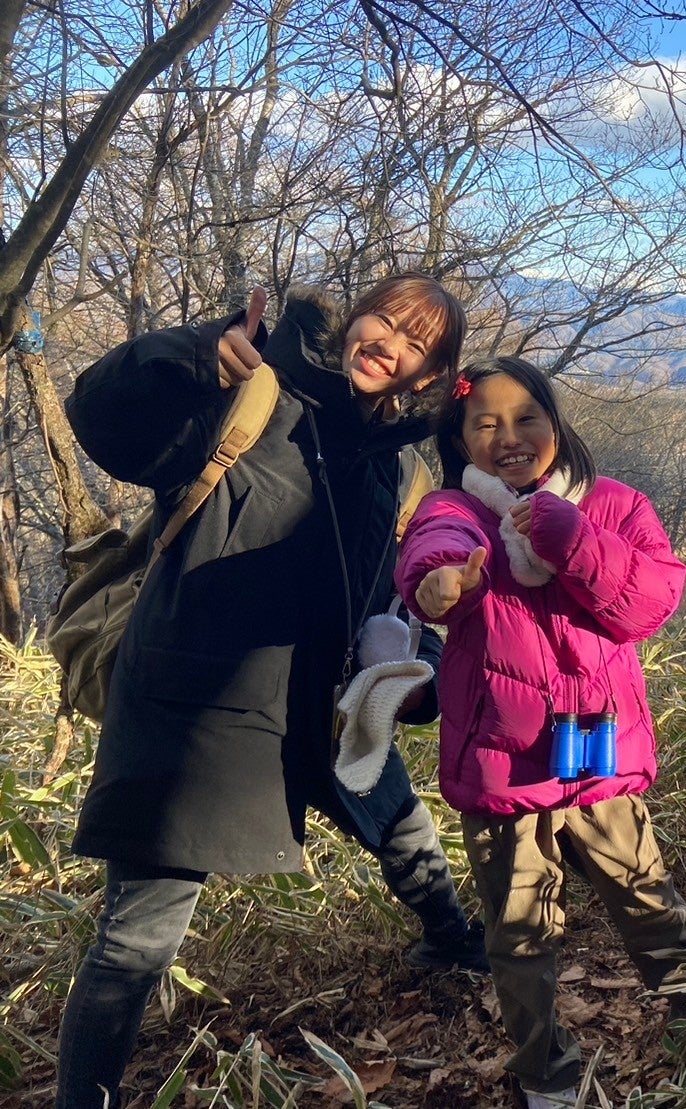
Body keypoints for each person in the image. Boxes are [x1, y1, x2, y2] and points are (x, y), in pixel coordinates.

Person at [56, 276, 485, 1109]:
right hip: (198, 709)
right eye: (384, 322)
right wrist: (190, 358)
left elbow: (386, 593)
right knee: (139, 937)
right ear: (356, 319)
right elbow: (101, 418)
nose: (388, 344)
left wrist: (413, 663)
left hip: (317, 704)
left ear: (425, 376)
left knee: (398, 820)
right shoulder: (248, 396)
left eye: (415, 344)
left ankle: (453, 940)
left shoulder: (388, 467)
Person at [395, 356, 686, 1109]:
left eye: (526, 418)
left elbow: (648, 602)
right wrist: (440, 582)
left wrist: (573, 538)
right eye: (483, 424)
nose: (507, 437)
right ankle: (545, 1071)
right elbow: (431, 552)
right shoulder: (457, 511)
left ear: (557, 422)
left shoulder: (614, 505)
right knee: (518, 936)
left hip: (598, 759)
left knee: (650, 905)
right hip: (505, 768)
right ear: (460, 438)